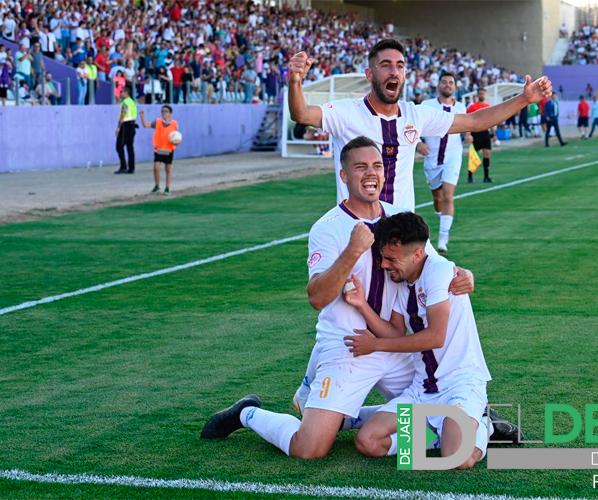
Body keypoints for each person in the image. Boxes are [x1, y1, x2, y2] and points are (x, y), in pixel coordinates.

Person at [199, 137, 499, 459]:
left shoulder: (398, 216)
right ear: (344, 176)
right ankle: (247, 413)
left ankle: (357, 417)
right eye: (360, 167)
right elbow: (317, 297)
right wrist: (353, 250)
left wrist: (465, 274)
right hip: (349, 346)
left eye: (377, 166)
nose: (371, 174)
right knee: (310, 448)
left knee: (437, 388)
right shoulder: (327, 229)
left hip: (392, 343)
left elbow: (427, 264)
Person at [287, 38, 552, 210]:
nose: (394, 71)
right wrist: (295, 81)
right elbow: (302, 114)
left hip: (405, 235)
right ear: (370, 74)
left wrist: (524, 99)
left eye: (400, 66)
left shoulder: (416, 114)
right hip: (356, 234)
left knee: (453, 288)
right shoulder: (347, 113)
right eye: (386, 65)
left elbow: (474, 120)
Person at [343, 211, 492, 470]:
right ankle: (434, 435)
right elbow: (396, 333)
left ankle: (485, 424)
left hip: (461, 385)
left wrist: (375, 345)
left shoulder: (440, 271)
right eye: (383, 257)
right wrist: (362, 305)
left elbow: (435, 337)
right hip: (422, 391)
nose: (384, 265)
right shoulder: (403, 282)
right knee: (367, 442)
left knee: (457, 458)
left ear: (417, 255)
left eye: (391, 259)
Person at [417, 72, 466, 255]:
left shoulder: (461, 107)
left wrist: (468, 134)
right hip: (432, 159)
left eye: (451, 82)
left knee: (448, 196)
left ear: (455, 87)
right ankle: (442, 216)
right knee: (438, 199)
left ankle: (443, 239)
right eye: (444, 82)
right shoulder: (426, 106)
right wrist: (418, 143)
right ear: (438, 85)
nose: (447, 85)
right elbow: (411, 127)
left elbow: (468, 126)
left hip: (453, 157)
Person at [140, 105, 179, 194]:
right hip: (159, 149)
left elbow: (176, 137)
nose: (163, 113)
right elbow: (146, 125)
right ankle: (157, 186)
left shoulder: (174, 123)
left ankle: (167, 188)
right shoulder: (157, 122)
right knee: (156, 167)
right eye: (162, 111)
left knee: (168, 169)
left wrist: (177, 142)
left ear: (170, 113)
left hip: (168, 149)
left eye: (165, 111)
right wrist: (142, 117)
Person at [465, 88, 493, 183]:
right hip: (475, 133)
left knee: (487, 154)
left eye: (483, 93)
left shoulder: (488, 106)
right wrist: (468, 134)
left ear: (485, 94)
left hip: (485, 132)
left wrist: (493, 133)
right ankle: (470, 176)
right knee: (473, 155)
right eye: (480, 93)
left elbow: (492, 120)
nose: (481, 95)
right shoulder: (472, 107)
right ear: (477, 95)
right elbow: (467, 121)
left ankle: (486, 177)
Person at [115, 87, 137, 174]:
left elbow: (123, 114)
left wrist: (118, 127)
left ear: (126, 93)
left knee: (119, 146)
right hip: (132, 125)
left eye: (122, 92)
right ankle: (131, 168)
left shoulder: (125, 102)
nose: (120, 94)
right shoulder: (132, 102)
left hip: (125, 126)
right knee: (130, 147)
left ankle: (123, 166)